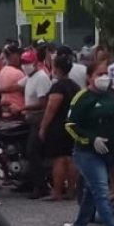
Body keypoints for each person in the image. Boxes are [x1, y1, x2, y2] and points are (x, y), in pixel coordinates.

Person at [64, 61, 114, 226]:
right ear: (89, 77)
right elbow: (70, 126)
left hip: (110, 151)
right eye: (98, 74)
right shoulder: (82, 98)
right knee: (102, 191)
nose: (103, 77)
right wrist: (90, 139)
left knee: (91, 191)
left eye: (105, 73)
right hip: (87, 154)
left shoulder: (112, 94)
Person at [40, 54, 81, 201]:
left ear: (56, 68)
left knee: (59, 159)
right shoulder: (75, 86)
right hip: (73, 125)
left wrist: (43, 127)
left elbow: (51, 109)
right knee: (71, 159)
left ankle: (56, 192)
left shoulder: (58, 87)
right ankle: (71, 191)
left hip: (58, 127)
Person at [21, 44, 54, 198]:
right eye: (23, 62)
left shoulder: (40, 77)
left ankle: (41, 187)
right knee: (27, 152)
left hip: (39, 121)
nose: (25, 65)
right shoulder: (30, 77)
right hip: (31, 120)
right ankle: (28, 182)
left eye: (27, 62)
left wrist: (22, 108)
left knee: (33, 152)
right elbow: (15, 85)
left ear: (34, 63)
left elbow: (43, 103)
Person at [0, 46, 26, 119]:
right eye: (18, 55)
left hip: (5, 110)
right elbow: (24, 92)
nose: (20, 58)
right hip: (18, 110)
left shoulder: (2, 71)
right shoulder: (18, 73)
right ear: (14, 56)